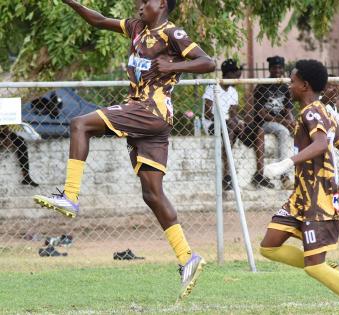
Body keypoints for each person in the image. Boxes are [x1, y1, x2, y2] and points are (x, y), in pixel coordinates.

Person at [33, 0, 215, 299]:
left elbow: (208, 62)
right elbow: (98, 20)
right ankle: (188, 259)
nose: (139, 5)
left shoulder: (172, 33)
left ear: (162, 4)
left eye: (146, 1)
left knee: (80, 124)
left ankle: (70, 195)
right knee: (152, 193)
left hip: (148, 111)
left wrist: (174, 65)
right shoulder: (135, 27)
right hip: (151, 119)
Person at [260, 59, 339, 315]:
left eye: (293, 81)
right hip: (301, 198)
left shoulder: (311, 112)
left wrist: (286, 162)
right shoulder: (324, 112)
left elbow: (321, 145)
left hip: (317, 200)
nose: (289, 85)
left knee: (314, 266)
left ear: (304, 85)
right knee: (269, 246)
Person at [202, 58, 274, 190]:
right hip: (213, 124)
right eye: (237, 74)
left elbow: (233, 115)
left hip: (230, 124)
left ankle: (259, 174)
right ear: (229, 74)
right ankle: (227, 177)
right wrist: (225, 121)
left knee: (258, 131)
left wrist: (240, 123)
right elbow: (207, 113)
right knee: (230, 129)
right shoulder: (213, 87)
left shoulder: (233, 91)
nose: (239, 77)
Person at [253, 56, 295, 189]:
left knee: (294, 129)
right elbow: (261, 113)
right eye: (274, 67)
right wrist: (284, 122)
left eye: (280, 67)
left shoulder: (284, 86)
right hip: (263, 123)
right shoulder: (262, 86)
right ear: (270, 69)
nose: (277, 70)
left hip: (279, 122)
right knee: (283, 131)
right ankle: (284, 176)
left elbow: (288, 109)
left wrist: (292, 122)